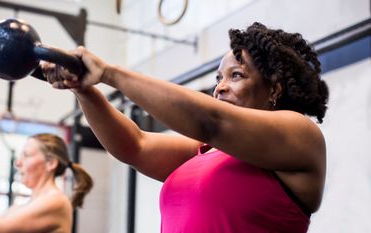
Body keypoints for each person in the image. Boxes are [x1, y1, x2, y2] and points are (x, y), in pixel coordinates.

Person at [43, 22, 329, 232]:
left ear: (274, 90)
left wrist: (108, 73)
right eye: (218, 78)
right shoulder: (206, 151)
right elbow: (135, 145)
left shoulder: (301, 135)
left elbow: (212, 122)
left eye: (236, 75)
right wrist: (83, 89)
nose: (220, 88)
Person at [0, 133, 93, 233]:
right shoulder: (23, 206)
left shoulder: (56, 202)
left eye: (26, 155)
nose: (18, 163)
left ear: (51, 163)